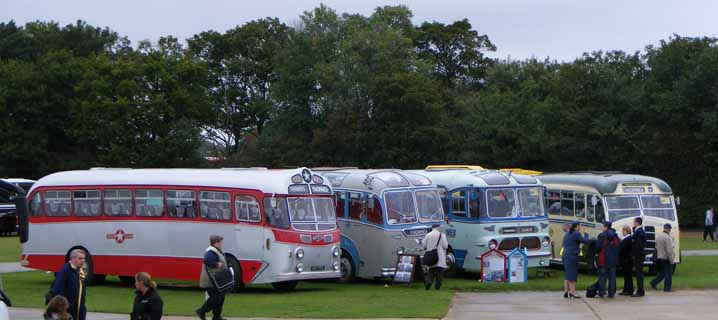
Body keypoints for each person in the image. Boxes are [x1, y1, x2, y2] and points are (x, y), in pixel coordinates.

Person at [196, 235, 228, 320]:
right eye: (221, 242)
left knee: (220, 297)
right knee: (216, 298)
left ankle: (216, 317)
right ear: (216, 243)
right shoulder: (211, 251)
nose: (222, 244)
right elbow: (207, 260)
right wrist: (217, 264)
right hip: (211, 280)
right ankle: (201, 311)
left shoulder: (216, 251)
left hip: (216, 280)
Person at [50, 249, 87, 320]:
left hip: (79, 310)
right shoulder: (65, 271)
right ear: (73, 258)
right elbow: (57, 291)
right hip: (68, 311)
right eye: (80, 258)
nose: (83, 260)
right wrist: (63, 310)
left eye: (83, 258)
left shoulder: (80, 271)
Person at [562, 221, 588, 299]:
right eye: (580, 226)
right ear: (577, 226)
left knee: (567, 274)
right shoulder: (576, 233)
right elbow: (585, 241)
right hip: (572, 256)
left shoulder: (567, 233)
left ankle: (566, 291)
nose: (580, 227)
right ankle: (573, 292)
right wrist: (586, 234)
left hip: (565, 255)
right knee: (572, 274)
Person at [596, 221, 620, 298]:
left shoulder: (601, 235)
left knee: (602, 277)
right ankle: (611, 293)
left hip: (603, 259)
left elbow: (598, 248)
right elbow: (618, 246)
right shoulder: (615, 236)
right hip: (613, 260)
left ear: (605, 227)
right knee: (612, 277)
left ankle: (602, 292)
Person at [650, 223, 675, 292]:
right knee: (668, 274)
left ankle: (653, 282)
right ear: (669, 229)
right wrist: (671, 260)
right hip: (666, 258)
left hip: (659, 257)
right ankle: (667, 288)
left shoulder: (658, 236)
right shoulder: (667, 237)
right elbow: (669, 250)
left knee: (662, 273)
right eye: (669, 229)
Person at [423, 223, 449, 290]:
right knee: (439, 272)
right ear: (438, 227)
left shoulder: (428, 235)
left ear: (432, 228)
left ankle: (428, 282)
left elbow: (424, 246)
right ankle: (437, 286)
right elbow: (445, 246)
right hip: (439, 256)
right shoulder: (442, 235)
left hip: (430, 255)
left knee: (431, 271)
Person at [631, 217, 647, 297]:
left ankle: (640, 291)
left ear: (637, 222)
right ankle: (640, 290)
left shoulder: (639, 232)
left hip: (638, 256)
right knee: (638, 273)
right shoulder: (637, 231)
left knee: (639, 274)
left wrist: (634, 255)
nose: (633, 223)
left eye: (634, 222)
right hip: (639, 255)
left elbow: (638, 246)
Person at [618, 225, 634, 296]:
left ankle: (629, 290)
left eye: (623, 231)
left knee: (628, 276)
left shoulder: (628, 239)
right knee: (626, 276)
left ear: (626, 231)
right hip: (625, 260)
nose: (622, 232)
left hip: (627, 260)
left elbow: (626, 250)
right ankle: (626, 289)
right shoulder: (626, 238)